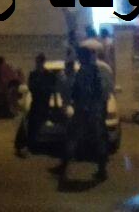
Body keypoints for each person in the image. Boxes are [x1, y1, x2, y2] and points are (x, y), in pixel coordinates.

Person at [54, 46, 111, 182]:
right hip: (92, 110)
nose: (78, 58)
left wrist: (81, 103)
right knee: (96, 139)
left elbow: (83, 91)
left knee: (73, 137)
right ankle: (101, 170)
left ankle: (64, 166)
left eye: (79, 55)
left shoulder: (86, 71)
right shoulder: (91, 70)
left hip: (85, 110)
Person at [15, 53, 53, 157]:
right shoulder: (33, 74)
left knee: (34, 125)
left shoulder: (48, 75)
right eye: (37, 62)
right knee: (29, 125)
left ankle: (30, 146)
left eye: (39, 62)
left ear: (43, 62)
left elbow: (51, 88)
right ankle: (25, 146)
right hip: (36, 103)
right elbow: (31, 87)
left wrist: (41, 89)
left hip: (45, 104)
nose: (38, 64)